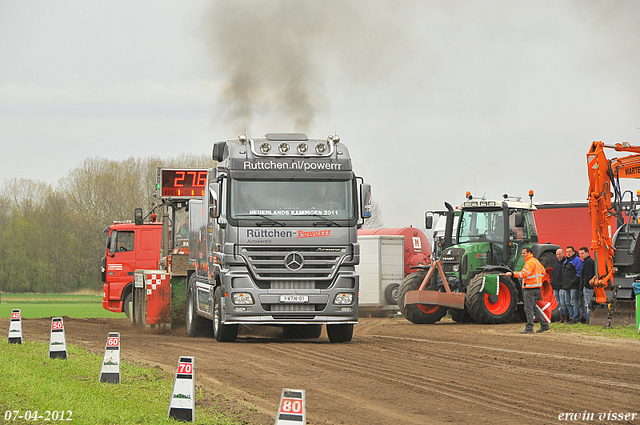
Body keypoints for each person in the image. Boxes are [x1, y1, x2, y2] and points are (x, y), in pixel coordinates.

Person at [506, 247, 550, 334]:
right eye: (522, 253)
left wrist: (512, 274)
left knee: (528, 308)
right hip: (536, 288)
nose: (522, 255)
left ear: (529, 253)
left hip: (530, 288)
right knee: (533, 307)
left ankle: (530, 327)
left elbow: (525, 273)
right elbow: (543, 271)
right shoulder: (536, 261)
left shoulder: (529, 262)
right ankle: (544, 325)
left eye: (524, 253)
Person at [563, 246, 583, 324]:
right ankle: (571, 317)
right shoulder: (566, 261)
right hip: (566, 285)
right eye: (567, 251)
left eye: (569, 251)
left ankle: (576, 318)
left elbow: (579, 273)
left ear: (573, 252)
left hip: (574, 286)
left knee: (573, 302)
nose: (568, 253)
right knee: (567, 302)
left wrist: (573, 281)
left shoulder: (577, 261)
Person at [579, 246, 595, 324]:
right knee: (587, 303)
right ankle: (588, 319)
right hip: (588, 286)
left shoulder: (588, 262)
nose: (581, 255)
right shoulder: (587, 261)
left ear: (587, 253)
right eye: (580, 254)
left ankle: (588, 319)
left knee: (587, 303)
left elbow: (587, 275)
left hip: (588, 287)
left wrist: (585, 285)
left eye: (582, 253)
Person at [549, 248, 566, 321]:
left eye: (559, 254)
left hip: (562, 286)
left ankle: (566, 317)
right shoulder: (556, 262)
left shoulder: (565, 262)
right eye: (557, 254)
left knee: (563, 303)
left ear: (563, 254)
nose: (558, 256)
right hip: (555, 286)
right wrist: (552, 282)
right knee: (559, 303)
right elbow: (553, 273)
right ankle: (561, 318)